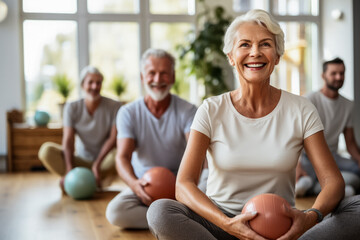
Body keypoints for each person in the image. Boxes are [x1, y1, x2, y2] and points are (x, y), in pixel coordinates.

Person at [146, 9, 360, 240]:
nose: (255, 52)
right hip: (223, 224)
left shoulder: (301, 108)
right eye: (245, 45)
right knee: (160, 211)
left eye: (265, 44)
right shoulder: (210, 109)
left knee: (357, 206)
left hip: (283, 227)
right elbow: (184, 185)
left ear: (277, 56)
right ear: (231, 56)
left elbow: (332, 181)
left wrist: (310, 217)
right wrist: (228, 224)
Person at [105, 48, 207, 229]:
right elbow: (122, 157)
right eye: (152, 73)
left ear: (173, 77)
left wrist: (188, 187)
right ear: (143, 77)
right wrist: (134, 184)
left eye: (164, 74)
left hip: (182, 185)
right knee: (115, 212)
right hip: (144, 186)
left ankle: (172, 217)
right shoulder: (128, 112)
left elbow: (200, 156)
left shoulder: (188, 110)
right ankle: (178, 219)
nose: (158, 80)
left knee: (209, 182)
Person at [38, 66, 121, 191]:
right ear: (82, 85)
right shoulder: (71, 107)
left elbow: (113, 139)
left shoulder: (115, 106)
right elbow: (68, 140)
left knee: (121, 151)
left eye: (98, 83)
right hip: (80, 161)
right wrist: (69, 169)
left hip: (105, 162)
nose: (94, 87)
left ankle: (96, 178)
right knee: (46, 150)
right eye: (90, 83)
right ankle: (75, 178)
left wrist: (97, 165)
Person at [295, 57, 360, 197]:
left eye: (342, 73)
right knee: (296, 175)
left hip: (333, 157)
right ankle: (326, 186)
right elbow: (296, 136)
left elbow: (350, 143)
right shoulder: (309, 99)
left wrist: (359, 159)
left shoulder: (348, 105)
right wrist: (297, 166)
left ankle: (315, 186)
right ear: (323, 75)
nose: (338, 77)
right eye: (334, 73)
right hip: (308, 157)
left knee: (356, 174)